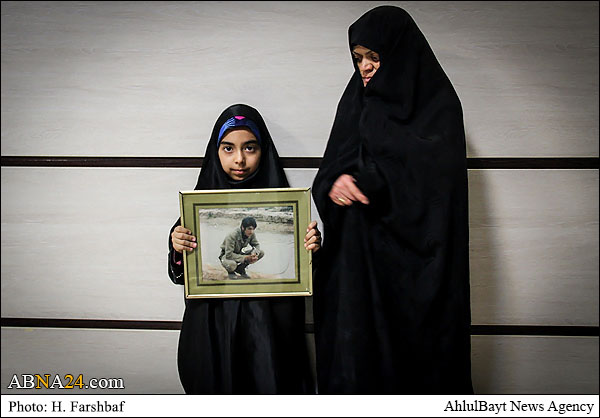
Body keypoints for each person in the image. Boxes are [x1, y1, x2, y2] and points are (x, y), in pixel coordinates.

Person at [311, 6, 473, 394]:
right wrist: (335, 183)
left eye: (374, 56)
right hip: (358, 266)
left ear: (399, 53)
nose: (364, 67)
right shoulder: (355, 103)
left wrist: (371, 181)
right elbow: (329, 171)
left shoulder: (439, 108)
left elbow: (434, 191)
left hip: (417, 272)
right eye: (358, 58)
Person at [168, 103, 321, 394]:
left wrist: (311, 250)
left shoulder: (289, 209)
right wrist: (178, 245)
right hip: (214, 328)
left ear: (264, 151)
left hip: (270, 331)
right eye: (228, 148)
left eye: (250, 148)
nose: (239, 159)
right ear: (215, 152)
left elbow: (303, 276)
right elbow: (182, 274)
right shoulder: (196, 212)